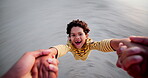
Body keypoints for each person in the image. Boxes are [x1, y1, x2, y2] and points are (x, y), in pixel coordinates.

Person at [31, 19, 139, 75]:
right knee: (68, 46)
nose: (77, 37)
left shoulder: (89, 44)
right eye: (73, 35)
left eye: (80, 34)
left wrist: (123, 42)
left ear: (86, 35)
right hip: (75, 54)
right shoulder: (70, 46)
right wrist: (49, 53)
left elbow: (103, 45)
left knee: (91, 47)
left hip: (85, 54)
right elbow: (61, 48)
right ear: (70, 37)